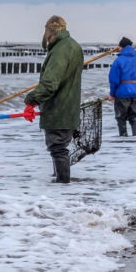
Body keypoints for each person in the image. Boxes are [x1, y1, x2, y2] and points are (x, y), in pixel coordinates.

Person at [24, 16, 84, 184]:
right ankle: (60, 187)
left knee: (58, 148)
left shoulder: (59, 51)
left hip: (59, 109)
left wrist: (31, 100)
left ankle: (62, 187)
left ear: (49, 33)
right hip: (70, 107)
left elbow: (50, 84)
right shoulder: (74, 46)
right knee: (60, 148)